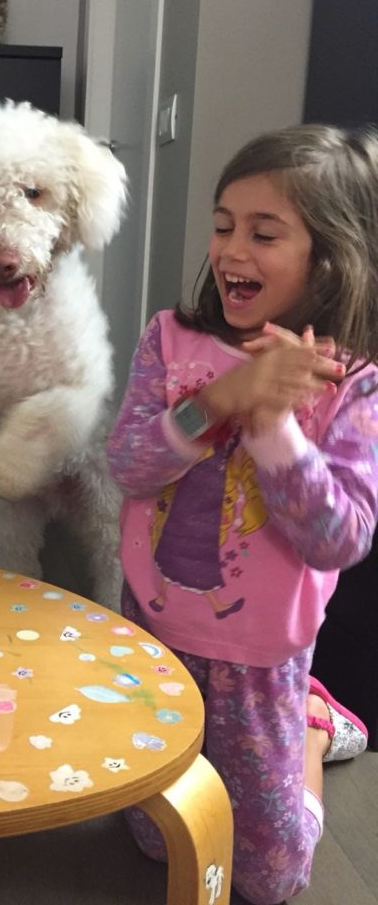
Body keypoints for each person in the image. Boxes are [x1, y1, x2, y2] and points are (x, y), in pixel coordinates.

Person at [106, 125, 378, 905]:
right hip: (153, 633)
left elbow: (340, 538)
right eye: (224, 224)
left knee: (266, 880)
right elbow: (126, 464)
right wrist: (221, 400)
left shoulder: (351, 385)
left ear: (326, 256)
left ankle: (314, 727)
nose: (231, 249)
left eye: (264, 233)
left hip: (260, 660)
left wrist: (272, 425)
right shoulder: (171, 340)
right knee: (155, 838)